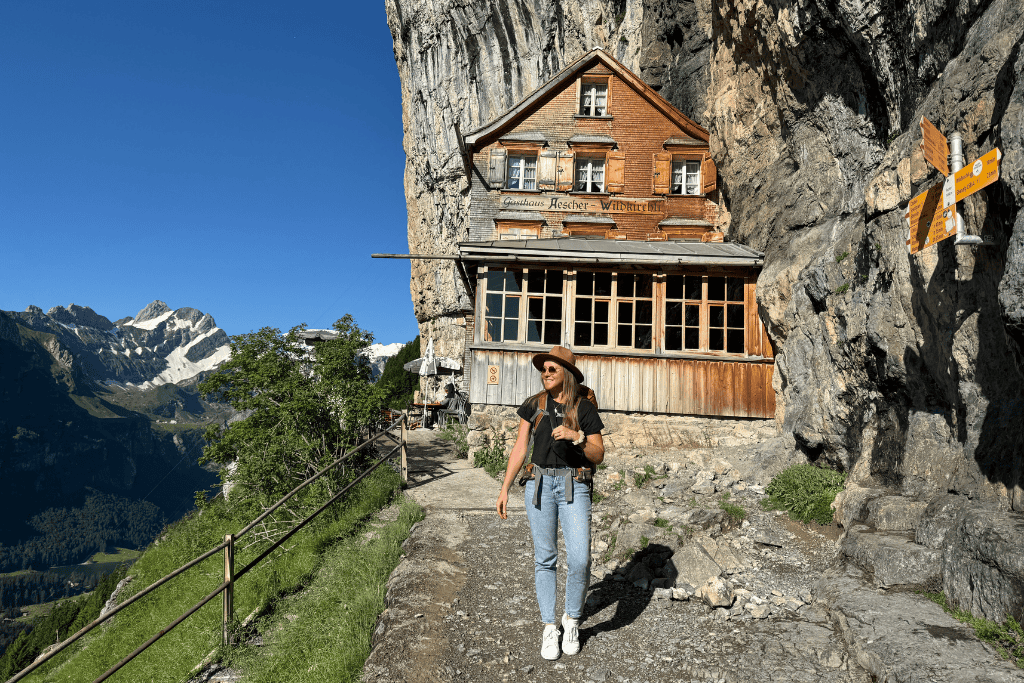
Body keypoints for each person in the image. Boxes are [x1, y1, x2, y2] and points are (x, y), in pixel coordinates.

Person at [495, 345, 605, 660]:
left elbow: (599, 454)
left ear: (566, 374)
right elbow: (520, 447)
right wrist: (504, 488)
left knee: (581, 559)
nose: (545, 372)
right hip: (539, 484)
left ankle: (571, 620)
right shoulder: (534, 405)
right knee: (545, 559)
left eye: (552, 369)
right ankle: (549, 628)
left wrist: (578, 438)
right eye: (543, 368)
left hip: (574, 484)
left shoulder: (583, 408)